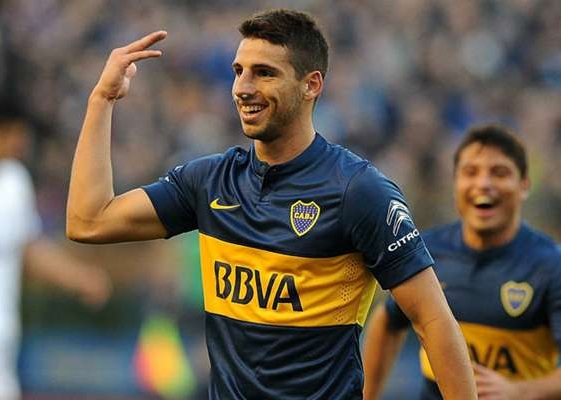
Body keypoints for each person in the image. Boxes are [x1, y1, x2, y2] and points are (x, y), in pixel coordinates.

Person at [66, 9, 476, 399]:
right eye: (238, 71)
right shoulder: (210, 182)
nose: (243, 88)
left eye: (265, 73)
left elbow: (433, 321)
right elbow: (89, 221)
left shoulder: (358, 191)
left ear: (311, 85)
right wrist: (102, 99)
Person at [362, 124, 561, 400]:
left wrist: (520, 391)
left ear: (524, 185)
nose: (483, 184)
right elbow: (387, 322)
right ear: (455, 183)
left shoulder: (551, 265)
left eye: (499, 173)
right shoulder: (425, 251)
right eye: (470, 172)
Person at [0, 107, 112, 400]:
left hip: (1, 325)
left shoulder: (15, 182)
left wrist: (78, 277)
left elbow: (28, 248)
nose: (21, 144)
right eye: (15, 134)